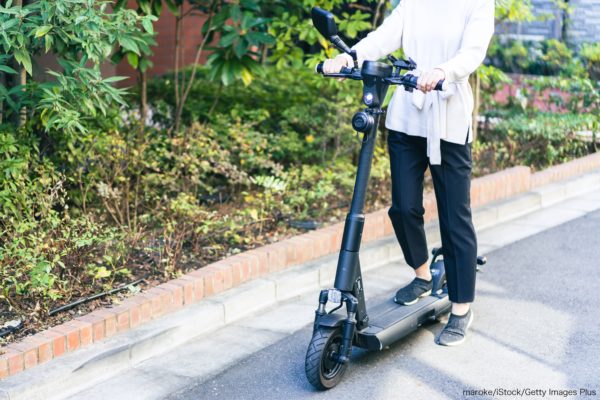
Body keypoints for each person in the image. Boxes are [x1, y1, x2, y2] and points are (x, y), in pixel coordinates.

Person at [322, 0, 495, 346]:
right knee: (402, 208)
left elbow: (473, 50)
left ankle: (461, 309)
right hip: (406, 118)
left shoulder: (478, 3)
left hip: (447, 121)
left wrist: (444, 72)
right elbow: (384, 36)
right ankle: (422, 274)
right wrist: (350, 58)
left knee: (454, 218)